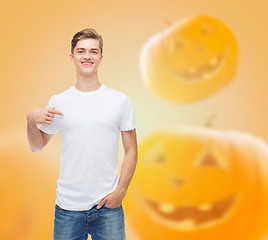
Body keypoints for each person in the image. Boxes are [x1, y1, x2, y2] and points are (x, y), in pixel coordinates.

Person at [26, 28, 138, 240]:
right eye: (81, 51)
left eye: (93, 51)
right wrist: (31, 121)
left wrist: (121, 191)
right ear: (72, 56)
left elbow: (131, 149)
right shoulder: (58, 102)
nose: (87, 56)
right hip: (68, 208)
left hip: (108, 208)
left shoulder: (120, 101)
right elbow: (36, 145)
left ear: (101, 57)